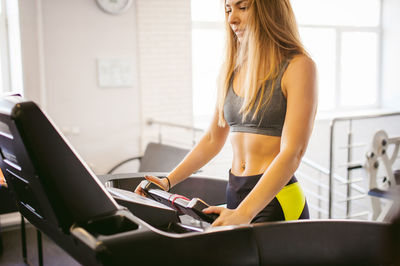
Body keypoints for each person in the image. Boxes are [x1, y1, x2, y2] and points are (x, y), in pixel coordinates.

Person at [135, 0, 317, 227]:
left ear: (269, 9)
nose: (231, 19)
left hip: (277, 198)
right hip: (236, 194)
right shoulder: (231, 70)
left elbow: (293, 152)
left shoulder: (298, 66)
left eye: (243, 7)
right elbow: (212, 138)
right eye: (228, 9)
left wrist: (245, 212)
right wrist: (167, 181)